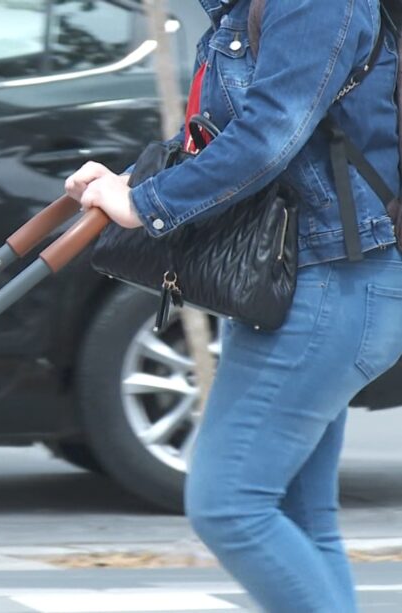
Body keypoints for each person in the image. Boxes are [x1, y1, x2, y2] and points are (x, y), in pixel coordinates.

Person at [65, 1, 402, 611]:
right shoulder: (249, 7)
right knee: (301, 518)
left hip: (333, 286)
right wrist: (125, 185)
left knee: (230, 505)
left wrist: (146, 204)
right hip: (306, 286)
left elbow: (267, 138)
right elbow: (222, 133)